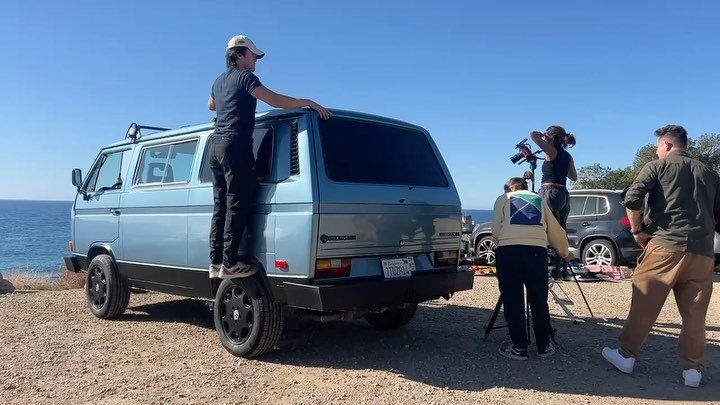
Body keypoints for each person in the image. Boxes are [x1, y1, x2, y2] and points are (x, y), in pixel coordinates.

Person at [602, 125, 719, 387]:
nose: (657, 150)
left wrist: (637, 231)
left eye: (658, 146)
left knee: (645, 302)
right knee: (695, 313)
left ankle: (626, 355)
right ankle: (693, 371)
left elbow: (632, 199)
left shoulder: (657, 166)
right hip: (702, 251)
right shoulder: (709, 172)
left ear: (666, 145)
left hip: (665, 244)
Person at [208, 34, 331, 279]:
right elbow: (274, 100)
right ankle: (230, 263)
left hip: (216, 146)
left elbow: (211, 105)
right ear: (240, 54)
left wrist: (229, 104)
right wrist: (307, 101)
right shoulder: (246, 77)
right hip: (235, 145)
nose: (256, 60)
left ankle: (215, 262)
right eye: (253, 55)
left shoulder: (219, 81)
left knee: (220, 205)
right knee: (237, 202)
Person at [491, 177, 572, 360]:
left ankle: (519, 348)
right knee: (538, 300)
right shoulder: (538, 200)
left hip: (509, 251)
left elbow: (496, 229)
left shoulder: (503, 199)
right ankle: (544, 346)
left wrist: (501, 241)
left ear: (511, 188)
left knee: (513, 300)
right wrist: (563, 250)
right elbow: (555, 229)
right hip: (536, 252)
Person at [522, 126, 577, 279]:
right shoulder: (567, 156)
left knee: (548, 230)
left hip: (549, 191)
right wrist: (560, 168)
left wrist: (545, 136)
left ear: (552, 138)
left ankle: (552, 269)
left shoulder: (551, 150)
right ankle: (563, 269)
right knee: (561, 230)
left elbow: (532, 134)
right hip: (563, 193)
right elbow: (574, 177)